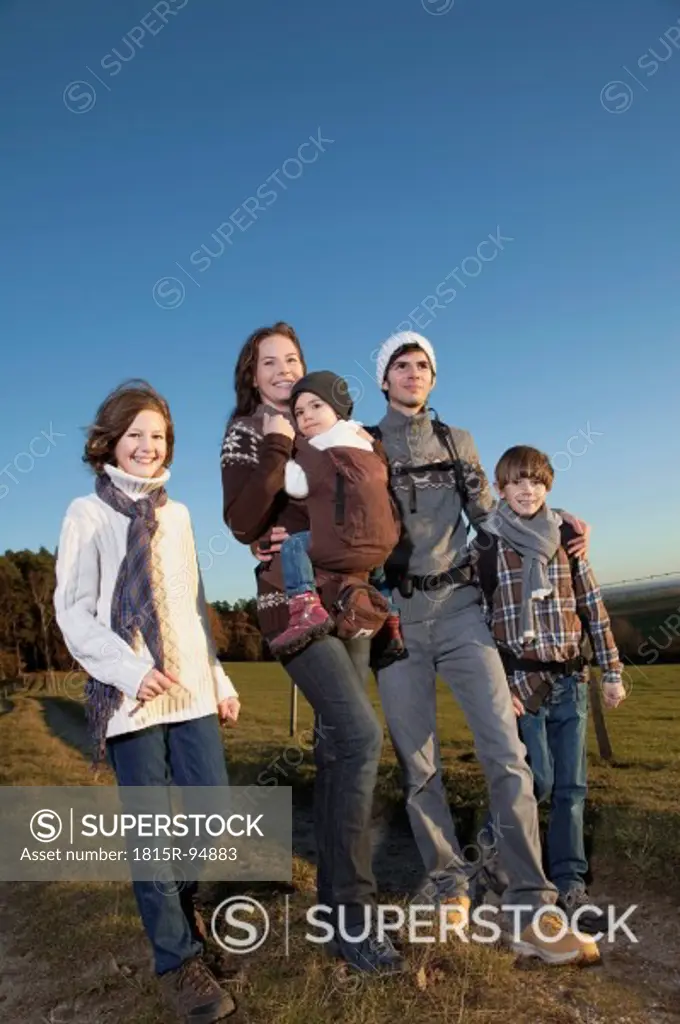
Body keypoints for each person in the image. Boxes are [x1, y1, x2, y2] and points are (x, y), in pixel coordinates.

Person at [371, 330, 599, 964]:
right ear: (384, 379)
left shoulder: (457, 442)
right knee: (420, 767)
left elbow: (495, 515)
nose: (413, 374)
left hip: (464, 611)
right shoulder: (363, 446)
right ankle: (448, 884)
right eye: (401, 365)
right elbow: (340, 524)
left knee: (507, 755)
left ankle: (532, 902)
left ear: (434, 379)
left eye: (423, 366)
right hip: (396, 619)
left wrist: (560, 526)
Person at [54, 380, 241, 1023]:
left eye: (157, 435)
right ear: (109, 440)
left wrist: (219, 679)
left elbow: (190, 605)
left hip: (188, 688)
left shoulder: (179, 515)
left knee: (212, 811)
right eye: (135, 433)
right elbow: (73, 614)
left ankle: (182, 906)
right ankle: (176, 959)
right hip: (130, 697)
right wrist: (131, 672)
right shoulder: (87, 513)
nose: (146, 445)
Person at [220, 324, 404, 975]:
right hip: (289, 606)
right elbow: (244, 520)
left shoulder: (316, 423)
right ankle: (355, 916)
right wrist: (276, 447)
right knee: (359, 737)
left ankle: (332, 907)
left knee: (336, 751)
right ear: (252, 372)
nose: (281, 369)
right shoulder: (250, 431)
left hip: (345, 599)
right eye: (268, 361)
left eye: (291, 360)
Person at [471, 444, 627, 933]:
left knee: (572, 788)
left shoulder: (567, 539)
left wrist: (613, 671)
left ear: (548, 487)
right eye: (517, 482)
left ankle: (570, 885)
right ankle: (490, 856)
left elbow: (592, 608)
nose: (526, 490)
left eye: (535, 482)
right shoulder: (488, 544)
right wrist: (499, 684)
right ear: (501, 488)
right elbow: (477, 622)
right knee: (534, 783)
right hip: (521, 683)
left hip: (571, 681)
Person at [268, 368, 404, 661]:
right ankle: (391, 619)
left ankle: (305, 607)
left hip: (344, 541)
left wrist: (283, 449)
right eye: (300, 412)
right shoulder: (365, 440)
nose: (307, 416)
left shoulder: (320, 447)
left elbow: (296, 486)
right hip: (384, 541)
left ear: (337, 410)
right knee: (377, 573)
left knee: (294, 546)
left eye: (316, 406)